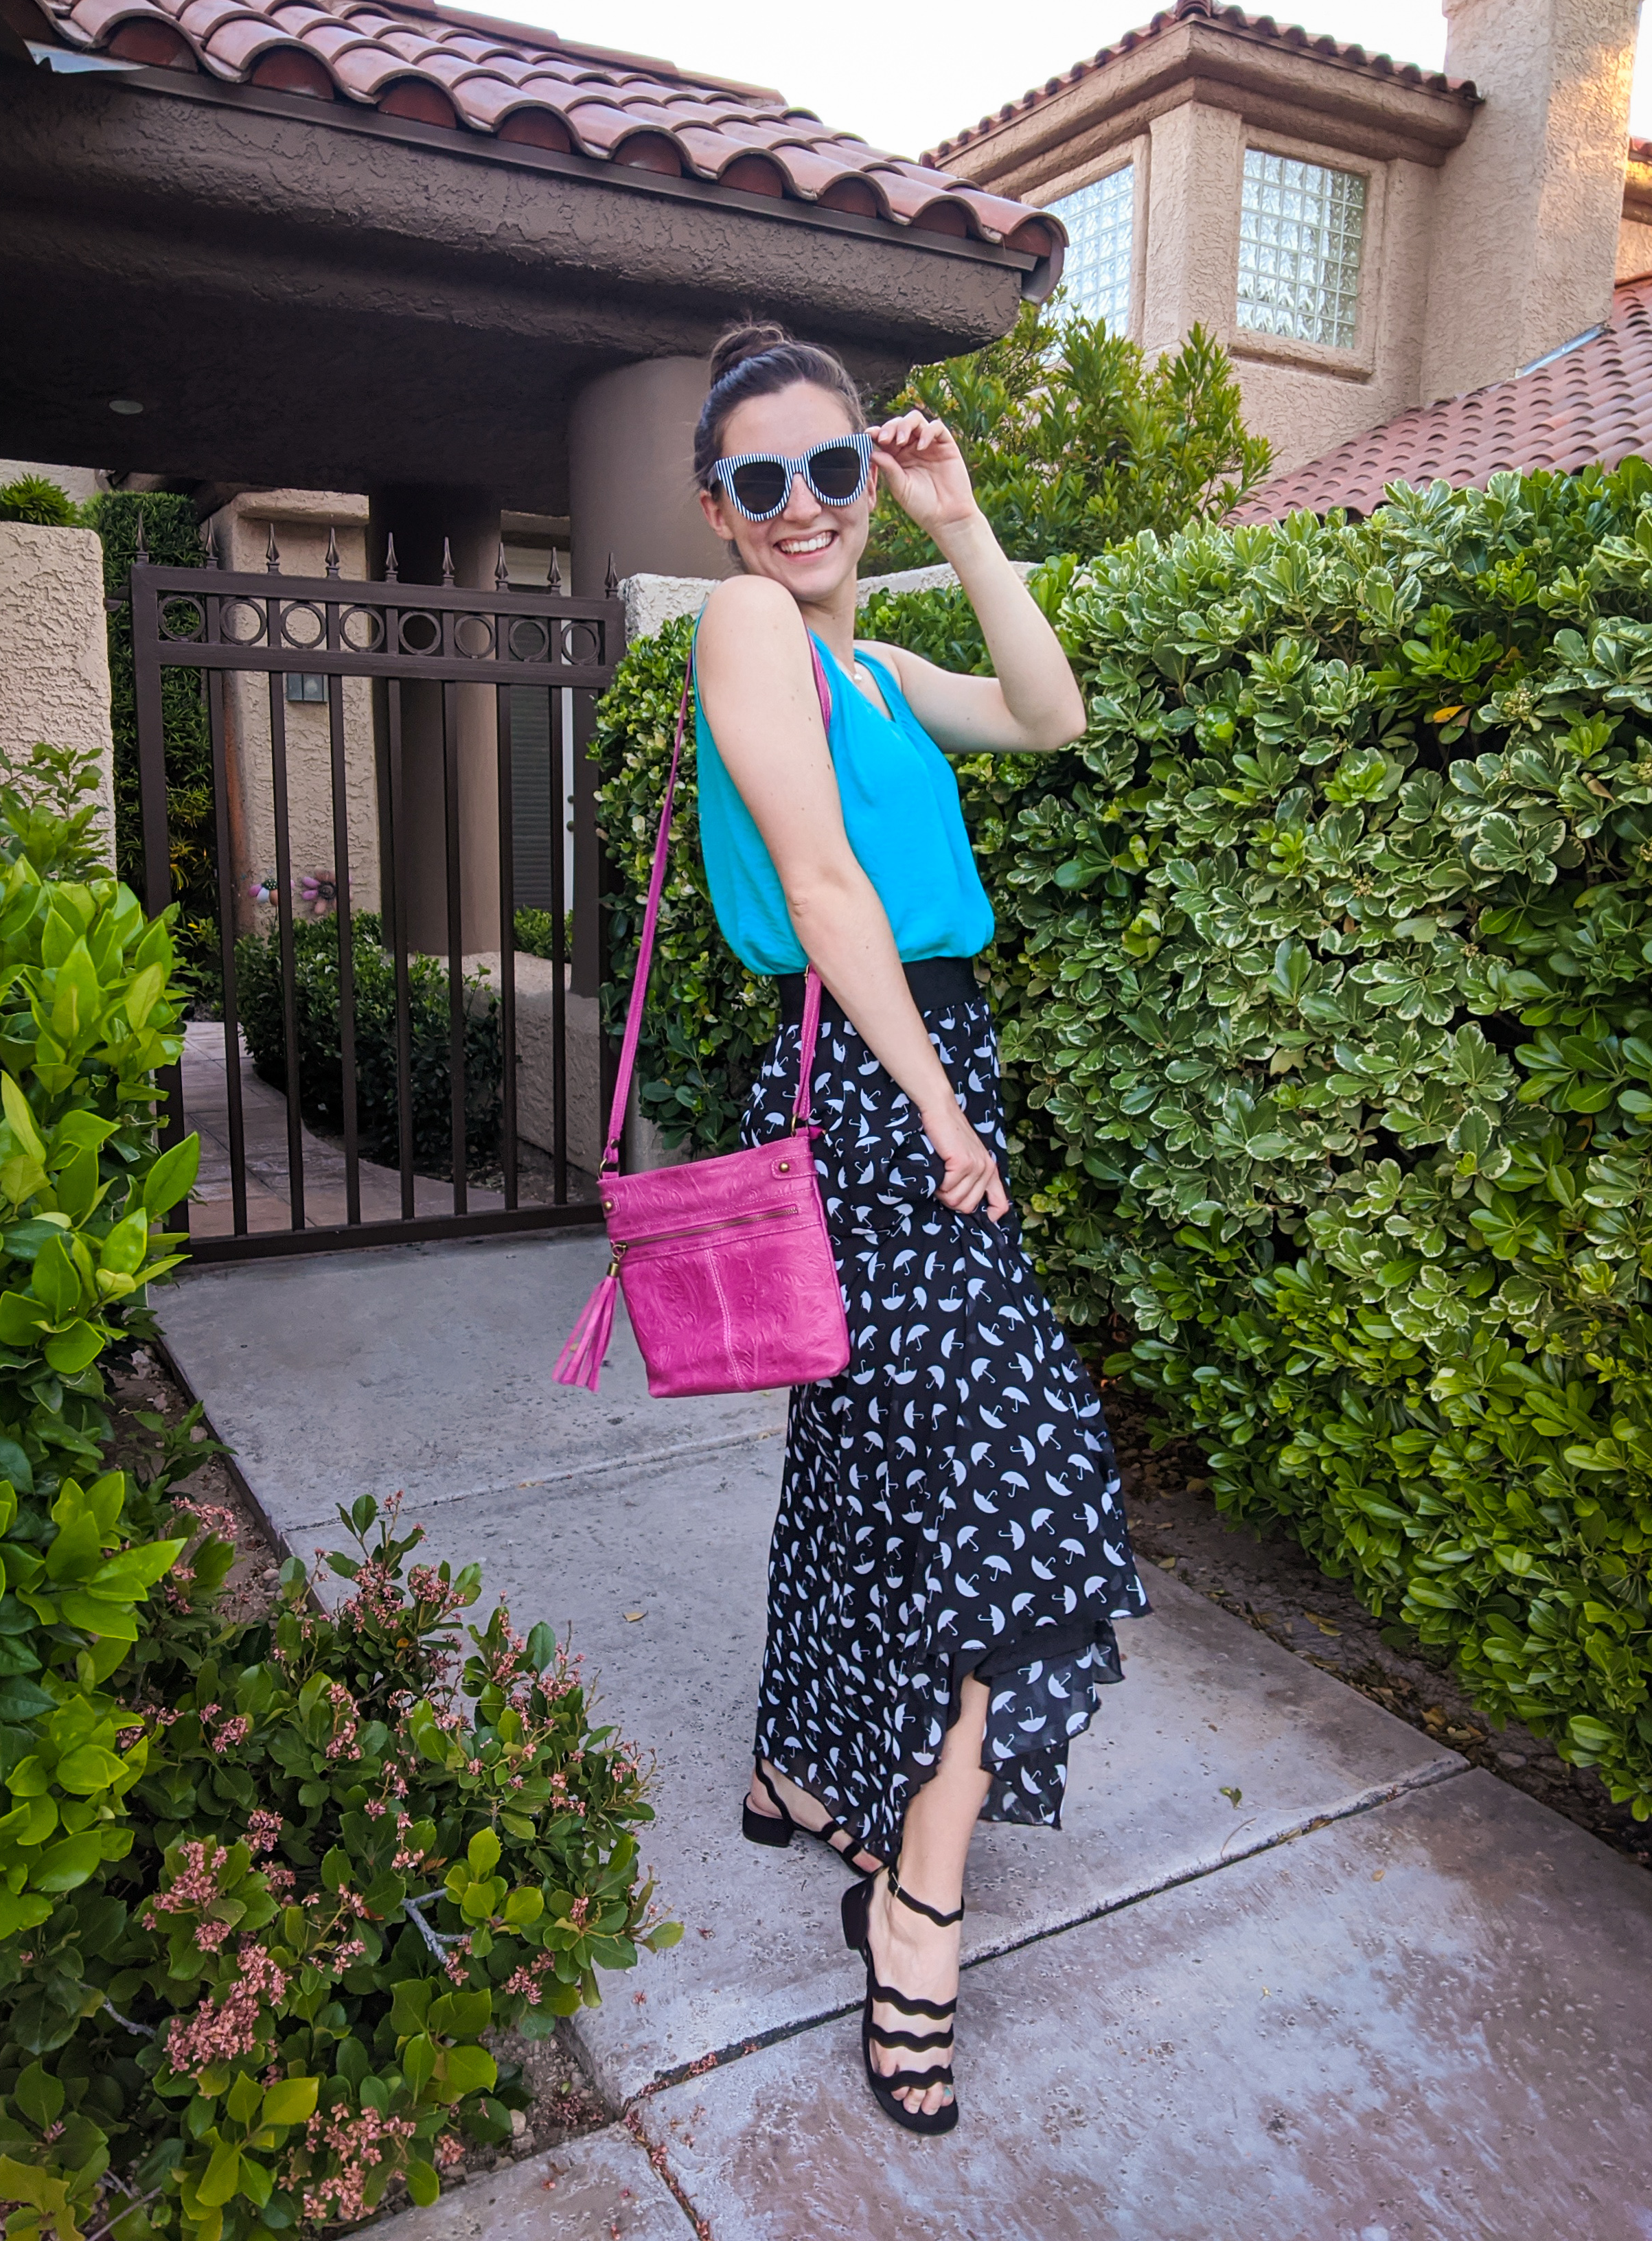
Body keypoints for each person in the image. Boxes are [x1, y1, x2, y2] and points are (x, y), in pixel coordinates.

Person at [689, 320, 1147, 2136]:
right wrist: (943, 1113)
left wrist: (961, 523)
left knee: (870, 1464)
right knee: (1012, 1496)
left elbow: (1050, 714)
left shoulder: (872, 664)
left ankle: (802, 1771)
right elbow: (819, 886)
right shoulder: (743, 625)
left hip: (919, 1073)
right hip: (879, 1091)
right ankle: (918, 1912)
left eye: (834, 464)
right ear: (717, 509)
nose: (803, 504)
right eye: (763, 479)